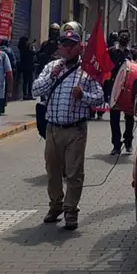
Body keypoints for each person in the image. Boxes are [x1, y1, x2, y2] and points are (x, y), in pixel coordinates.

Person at [32, 27, 104, 230]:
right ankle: (56, 206)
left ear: (79, 48)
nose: (66, 49)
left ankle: (71, 210)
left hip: (75, 129)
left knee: (73, 172)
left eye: (71, 46)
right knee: (53, 171)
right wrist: (51, 77)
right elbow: (35, 90)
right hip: (53, 128)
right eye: (64, 45)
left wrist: (83, 96)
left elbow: (99, 98)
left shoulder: (87, 71)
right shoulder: (51, 67)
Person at [107, 29, 137, 155]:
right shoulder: (111, 52)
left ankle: (128, 142)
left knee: (129, 117)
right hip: (114, 87)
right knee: (114, 119)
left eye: (126, 37)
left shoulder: (133, 53)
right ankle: (116, 144)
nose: (124, 38)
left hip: (128, 89)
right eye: (122, 36)